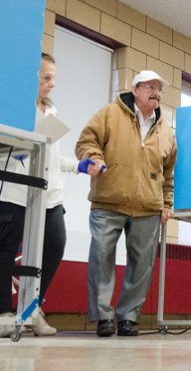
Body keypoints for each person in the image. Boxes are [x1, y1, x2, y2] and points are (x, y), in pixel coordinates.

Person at [75, 70, 177, 337]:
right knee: (101, 257)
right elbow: (87, 141)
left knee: (142, 265)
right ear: (135, 90)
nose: (156, 92)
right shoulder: (109, 114)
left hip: (148, 206)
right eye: (150, 87)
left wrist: (167, 202)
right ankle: (103, 317)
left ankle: (128, 317)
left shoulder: (166, 131)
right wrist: (94, 159)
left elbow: (169, 172)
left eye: (159, 88)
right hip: (108, 200)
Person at [0, 53, 94, 337]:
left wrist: (78, 166)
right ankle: (4, 312)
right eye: (47, 78)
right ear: (32, 78)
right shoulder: (14, 109)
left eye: (54, 77)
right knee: (5, 252)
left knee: (55, 245)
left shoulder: (51, 112)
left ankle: (30, 310)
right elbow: (10, 151)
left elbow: (51, 157)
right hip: (16, 190)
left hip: (49, 194)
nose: (52, 84)